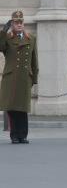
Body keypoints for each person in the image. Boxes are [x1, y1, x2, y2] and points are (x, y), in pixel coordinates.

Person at [0, 11, 38, 144]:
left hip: (24, 77)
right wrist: (3, 32)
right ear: (12, 24)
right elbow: (1, 47)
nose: (19, 24)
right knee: (12, 108)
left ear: (24, 23)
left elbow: (34, 60)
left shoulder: (30, 38)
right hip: (11, 78)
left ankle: (23, 135)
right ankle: (14, 135)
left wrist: (34, 78)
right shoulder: (8, 38)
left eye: (21, 22)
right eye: (16, 22)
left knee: (22, 108)